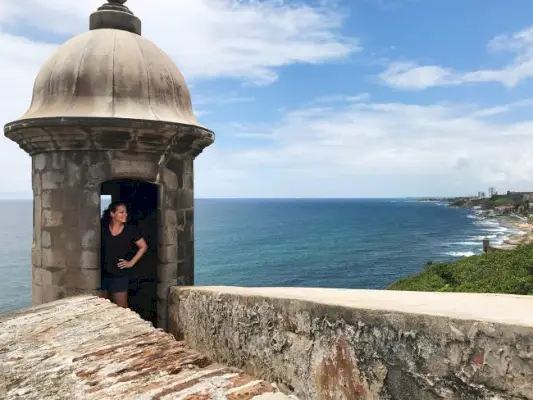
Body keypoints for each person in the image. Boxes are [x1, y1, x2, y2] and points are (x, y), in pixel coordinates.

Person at [100, 201, 148, 308]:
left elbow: (143, 246)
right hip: (101, 275)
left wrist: (131, 263)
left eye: (126, 212)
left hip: (119, 275)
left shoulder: (130, 230)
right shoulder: (102, 228)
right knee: (102, 308)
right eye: (121, 212)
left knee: (122, 308)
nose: (125, 214)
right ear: (113, 214)